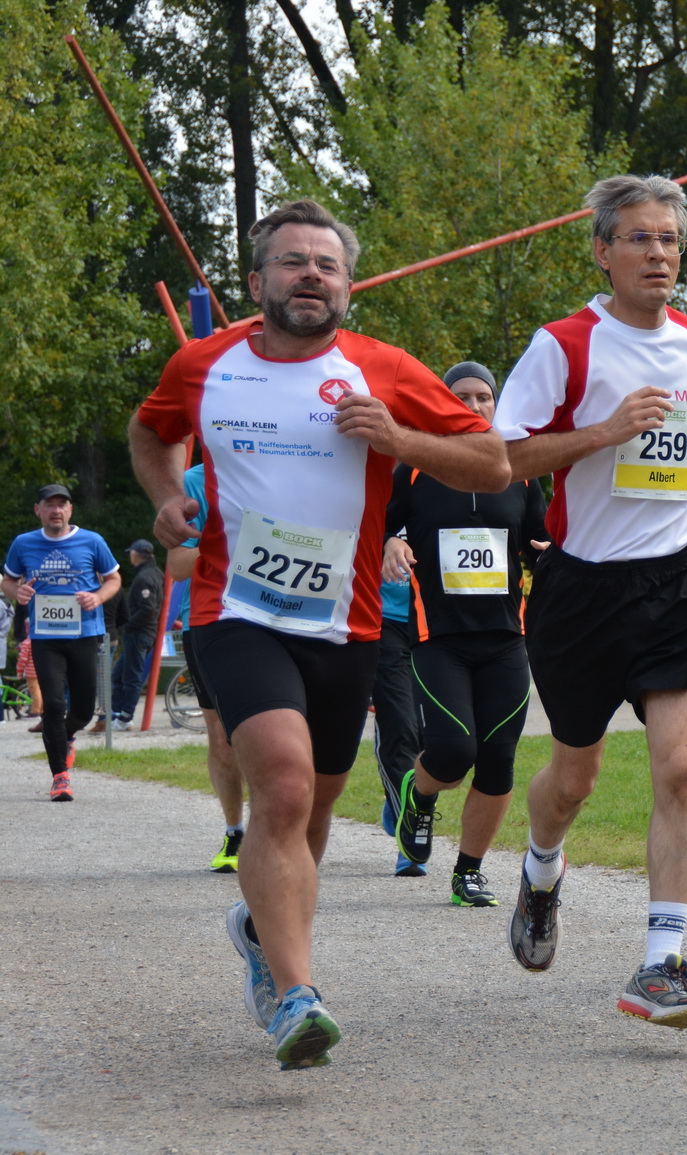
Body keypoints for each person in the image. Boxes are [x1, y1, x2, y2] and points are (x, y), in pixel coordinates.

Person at [129, 199, 509, 1070]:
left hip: (347, 624)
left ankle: (262, 931)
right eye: (292, 261)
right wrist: (165, 496)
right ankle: (296, 995)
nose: (310, 275)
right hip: (238, 609)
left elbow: (491, 461)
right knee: (287, 789)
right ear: (257, 280)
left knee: (316, 808)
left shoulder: (381, 368)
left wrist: (398, 433)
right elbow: (151, 433)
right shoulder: (206, 362)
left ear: (348, 284)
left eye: (326, 264)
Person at [493, 173, 687, 1030]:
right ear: (601, 250)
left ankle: (661, 961)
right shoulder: (565, 344)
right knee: (574, 775)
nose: (658, 253)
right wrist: (602, 432)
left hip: (676, 583)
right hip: (582, 590)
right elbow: (504, 459)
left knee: (681, 766)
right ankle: (541, 870)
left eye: (669, 238)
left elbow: (675, 453)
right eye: (638, 237)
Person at [386, 361, 547, 906]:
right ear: (443, 403)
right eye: (462, 397)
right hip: (440, 637)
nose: (474, 406)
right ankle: (420, 792)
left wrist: (549, 555)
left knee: (498, 757)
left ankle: (468, 872)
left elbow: (538, 540)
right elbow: (380, 526)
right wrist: (391, 543)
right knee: (453, 750)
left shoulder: (519, 471)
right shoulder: (414, 466)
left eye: (484, 397)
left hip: (505, 636)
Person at [1, 484, 121, 801]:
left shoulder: (92, 541)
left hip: (84, 633)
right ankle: (60, 778)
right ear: (38, 510)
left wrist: (97, 597)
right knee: (53, 704)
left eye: (62, 504)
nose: (56, 510)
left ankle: (67, 734)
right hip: (45, 636)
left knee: (81, 710)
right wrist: (18, 592)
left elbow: (114, 579)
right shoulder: (23, 543)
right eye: (49, 504)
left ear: (70, 510)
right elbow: (7, 580)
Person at [166, 464, 246, 872]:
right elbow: (177, 564)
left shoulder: (304, 459)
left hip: (293, 618)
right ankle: (235, 832)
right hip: (213, 618)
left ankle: (283, 829)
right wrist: (238, 545)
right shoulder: (197, 480)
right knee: (224, 737)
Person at [374, 536, 426, 878]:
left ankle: (398, 802)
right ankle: (410, 842)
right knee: (400, 730)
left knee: (443, 738)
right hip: (383, 621)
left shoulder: (458, 484)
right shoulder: (376, 485)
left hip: (439, 620)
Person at [93, 539, 163, 732]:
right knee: (116, 675)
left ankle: (125, 718)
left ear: (136, 555)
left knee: (131, 677)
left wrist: (127, 624)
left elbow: (147, 609)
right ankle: (115, 714)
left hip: (139, 633)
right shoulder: (156, 573)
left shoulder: (144, 578)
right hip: (143, 632)